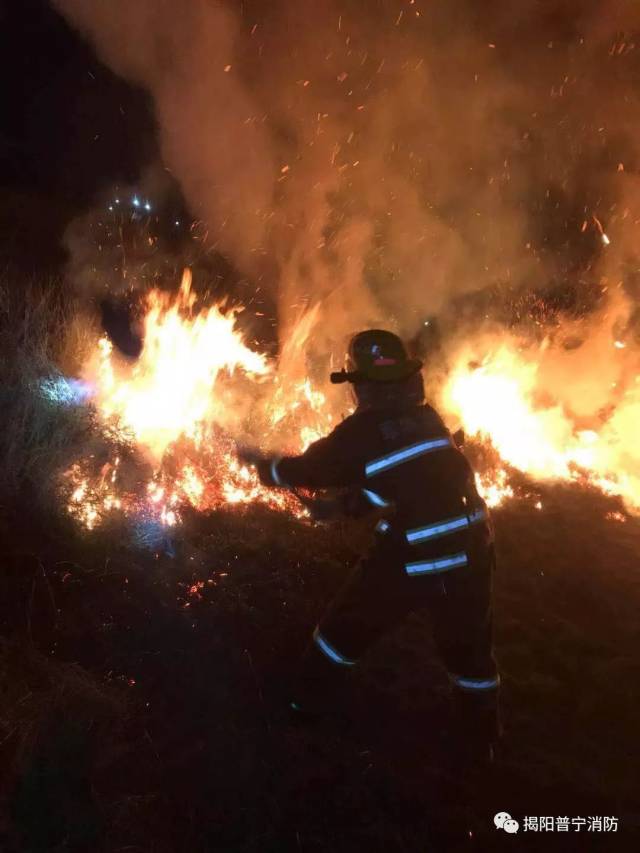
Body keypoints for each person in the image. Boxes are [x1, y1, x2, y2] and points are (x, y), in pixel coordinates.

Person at [242, 329, 500, 757]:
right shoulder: (427, 419)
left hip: (413, 557)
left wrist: (266, 470)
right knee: (471, 653)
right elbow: (406, 480)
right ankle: (482, 743)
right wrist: (346, 505)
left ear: (361, 384)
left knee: (341, 633)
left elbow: (311, 471)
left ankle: (301, 711)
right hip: (472, 548)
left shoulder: (359, 432)